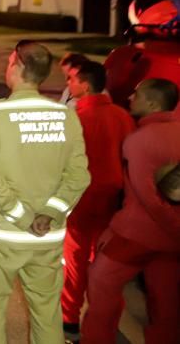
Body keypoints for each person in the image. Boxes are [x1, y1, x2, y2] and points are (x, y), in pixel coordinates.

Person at [0, 40, 90, 344]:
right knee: (46, 312)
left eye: (10, 61)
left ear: (18, 67)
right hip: (47, 238)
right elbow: (78, 176)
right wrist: (50, 213)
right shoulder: (66, 116)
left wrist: (22, 217)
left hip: (0, 236)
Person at [81, 79, 180, 344]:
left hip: (137, 234)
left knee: (101, 283)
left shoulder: (140, 140)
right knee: (166, 303)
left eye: (136, 94)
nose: (129, 98)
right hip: (170, 242)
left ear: (152, 103)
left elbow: (149, 198)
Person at [60, 61, 136, 336]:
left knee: (74, 259)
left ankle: (69, 317)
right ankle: (102, 320)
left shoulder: (76, 119)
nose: (68, 84)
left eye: (71, 80)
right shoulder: (122, 116)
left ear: (85, 85)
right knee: (102, 263)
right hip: (112, 200)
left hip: (81, 198)